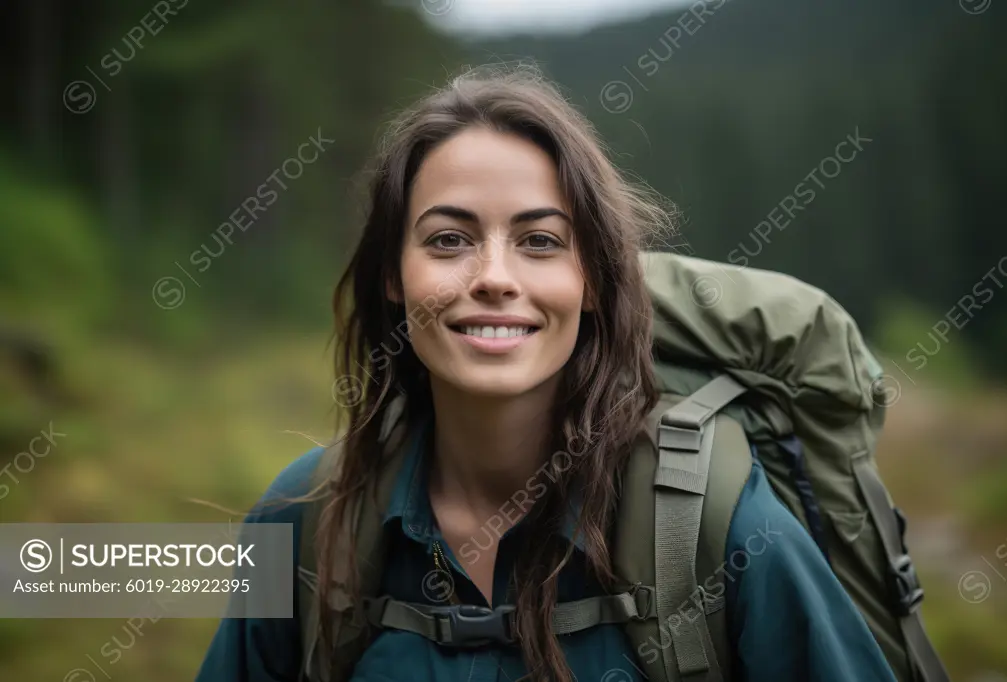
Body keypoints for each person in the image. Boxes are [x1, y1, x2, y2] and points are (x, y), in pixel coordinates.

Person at [195, 63, 898, 682]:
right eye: (448, 240)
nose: (494, 277)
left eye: (539, 241)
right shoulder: (307, 516)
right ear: (391, 274)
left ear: (592, 279)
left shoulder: (713, 521)